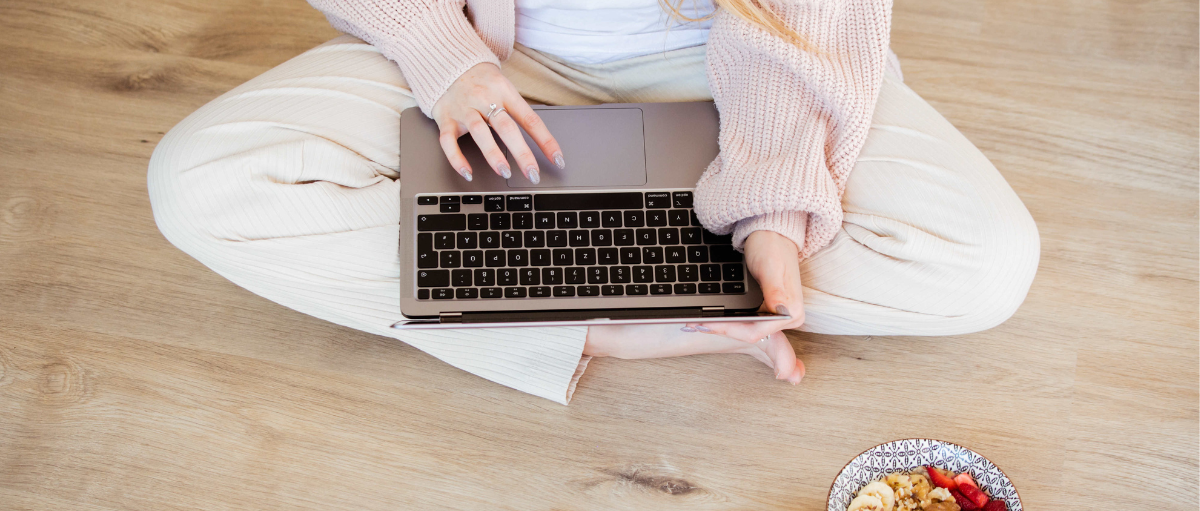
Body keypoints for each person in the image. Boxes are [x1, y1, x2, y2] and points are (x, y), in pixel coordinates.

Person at [147, 0, 1040, 404]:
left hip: (752, 62)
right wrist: (443, 55)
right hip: (490, 55)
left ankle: (616, 278)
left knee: (986, 265)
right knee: (201, 185)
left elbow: (810, 18)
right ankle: (603, 321)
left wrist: (775, 212)